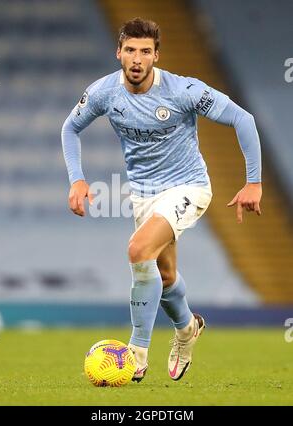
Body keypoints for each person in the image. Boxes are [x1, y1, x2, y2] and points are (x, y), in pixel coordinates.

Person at [61, 17, 262, 382]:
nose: (137, 59)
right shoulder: (105, 92)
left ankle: (137, 352)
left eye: (145, 52)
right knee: (164, 276)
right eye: (130, 50)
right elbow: (70, 127)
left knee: (138, 251)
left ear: (156, 56)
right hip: (143, 194)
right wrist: (77, 180)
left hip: (188, 187)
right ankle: (187, 328)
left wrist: (254, 182)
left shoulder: (183, 90)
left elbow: (242, 119)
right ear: (118, 52)